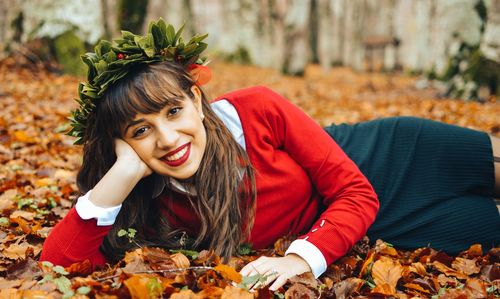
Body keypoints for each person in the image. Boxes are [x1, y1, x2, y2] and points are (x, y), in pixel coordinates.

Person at [40, 19, 500, 291]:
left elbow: (354, 190)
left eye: (174, 111)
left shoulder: (254, 110)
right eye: (142, 130)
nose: (167, 138)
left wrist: (297, 261)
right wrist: (122, 172)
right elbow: (56, 267)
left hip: (382, 156)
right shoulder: (146, 199)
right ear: (122, 142)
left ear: (197, 101)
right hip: (371, 226)